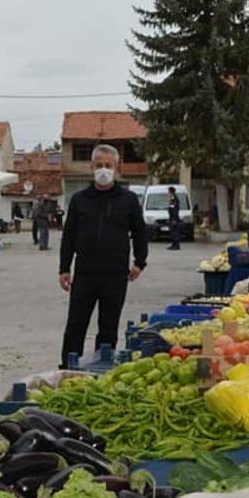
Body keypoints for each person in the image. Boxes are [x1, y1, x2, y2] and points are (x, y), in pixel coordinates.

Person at [58, 144, 148, 368]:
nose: (103, 169)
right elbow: (68, 236)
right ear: (91, 167)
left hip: (116, 274)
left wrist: (140, 262)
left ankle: (102, 367)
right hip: (85, 273)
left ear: (116, 167)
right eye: (99, 165)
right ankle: (68, 367)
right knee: (76, 325)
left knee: (108, 326)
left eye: (108, 165)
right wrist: (64, 268)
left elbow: (140, 232)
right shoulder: (80, 200)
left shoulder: (128, 200)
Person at [166, 186, 182, 250]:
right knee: (172, 232)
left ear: (171, 191)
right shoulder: (173, 198)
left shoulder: (173, 198)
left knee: (175, 232)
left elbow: (174, 210)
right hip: (172, 218)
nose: (168, 193)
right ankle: (173, 245)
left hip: (174, 218)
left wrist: (174, 219)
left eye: (168, 191)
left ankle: (176, 245)